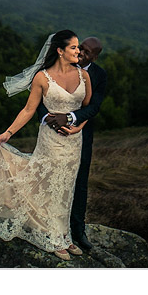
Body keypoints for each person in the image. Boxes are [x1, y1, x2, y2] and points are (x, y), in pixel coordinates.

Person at [0, 30, 92, 261]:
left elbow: (87, 108)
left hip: (74, 141)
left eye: (78, 47)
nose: (79, 51)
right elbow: (28, 110)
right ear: (60, 50)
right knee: (51, 184)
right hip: (51, 140)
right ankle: (53, 238)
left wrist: (78, 127)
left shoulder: (84, 76)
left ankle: (64, 236)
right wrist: (8, 132)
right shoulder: (42, 78)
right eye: (74, 48)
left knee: (67, 187)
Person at [37, 37, 105, 252]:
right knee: (48, 178)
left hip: (80, 136)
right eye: (80, 48)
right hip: (51, 134)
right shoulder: (60, 64)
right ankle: (45, 226)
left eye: (87, 52)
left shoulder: (98, 75)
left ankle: (77, 230)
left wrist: (69, 119)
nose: (81, 53)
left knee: (79, 182)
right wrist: (48, 118)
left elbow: (93, 107)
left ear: (95, 56)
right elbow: (39, 97)